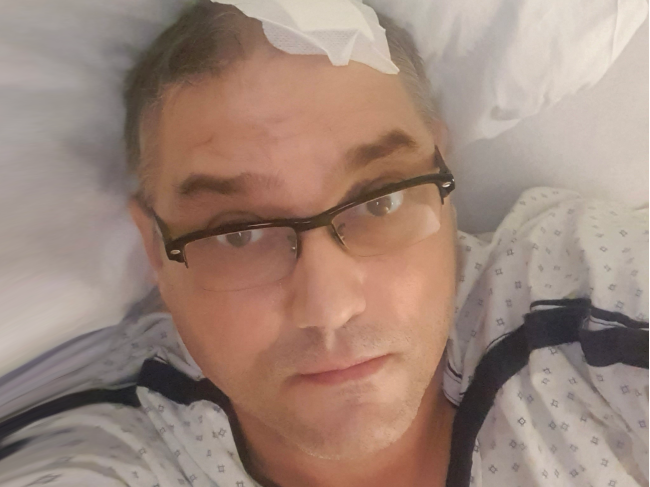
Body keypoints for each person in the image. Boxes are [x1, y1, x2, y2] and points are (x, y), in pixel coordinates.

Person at [0, 1, 647, 486]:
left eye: (380, 200)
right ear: (153, 246)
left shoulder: (580, 314)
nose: (330, 306)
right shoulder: (98, 448)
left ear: (443, 178)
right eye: (238, 233)